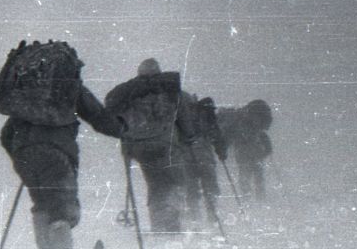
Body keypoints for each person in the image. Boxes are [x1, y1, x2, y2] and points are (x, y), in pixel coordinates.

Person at [0, 42, 122, 249]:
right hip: (56, 155)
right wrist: (123, 129)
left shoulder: (24, 95)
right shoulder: (68, 87)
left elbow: (5, 135)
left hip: (24, 155)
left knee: (42, 207)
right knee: (61, 211)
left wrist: (22, 154)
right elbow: (98, 117)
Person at [105, 58, 199, 233]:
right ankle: (171, 221)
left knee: (155, 184)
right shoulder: (170, 89)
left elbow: (113, 115)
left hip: (139, 148)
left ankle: (158, 224)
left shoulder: (129, 91)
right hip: (166, 145)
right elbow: (184, 118)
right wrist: (189, 137)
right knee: (174, 182)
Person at [180, 94, 227, 224]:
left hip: (185, 154)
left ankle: (194, 218)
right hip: (204, 154)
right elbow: (215, 134)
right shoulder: (205, 113)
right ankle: (212, 216)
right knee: (209, 186)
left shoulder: (177, 115)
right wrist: (221, 151)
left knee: (191, 189)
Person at [217, 99, 273, 201]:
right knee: (255, 176)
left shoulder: (240, 123)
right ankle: (258, 199)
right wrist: (264, 152)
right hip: (254, 152)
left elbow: (229, 137)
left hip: (243, 152)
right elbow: (266, 144)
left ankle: (248, 199)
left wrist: (223, 149)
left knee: (246, 176)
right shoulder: (255, 128)